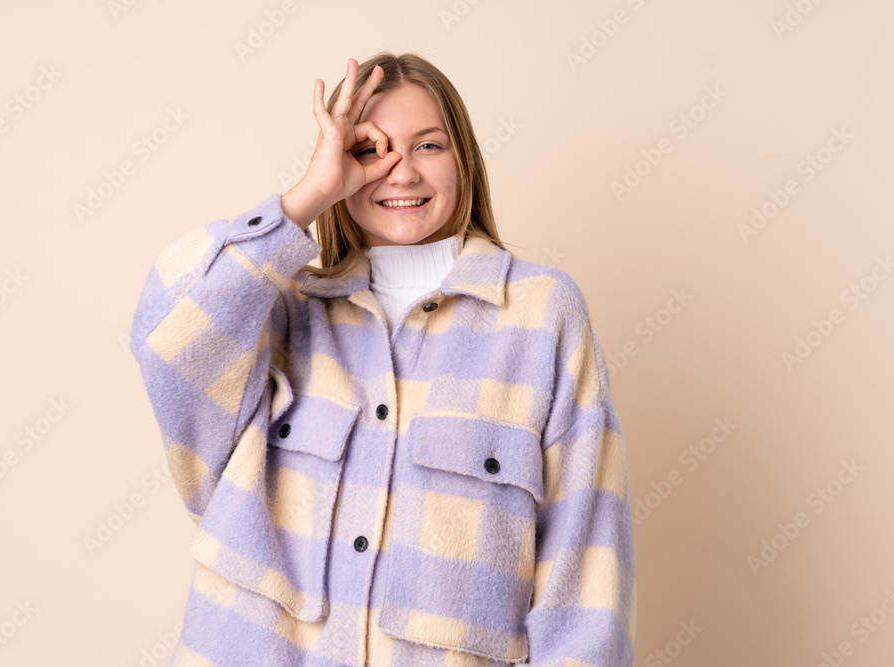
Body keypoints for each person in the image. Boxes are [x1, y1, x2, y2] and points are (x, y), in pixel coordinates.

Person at [131, 52, 636, 667]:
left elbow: (586, 565)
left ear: (464, 159)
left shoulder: (541, 313)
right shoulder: (281, 310)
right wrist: (308, 197)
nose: (402, 172)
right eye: (371, 150)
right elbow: (168, 337)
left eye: (429, 146)